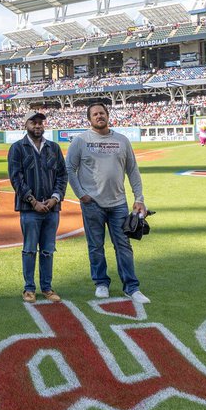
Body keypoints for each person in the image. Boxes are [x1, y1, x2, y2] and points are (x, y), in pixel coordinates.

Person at [66, 102, 150, 303]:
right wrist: (81, 195)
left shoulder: (122, 140)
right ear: (89, 119)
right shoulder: (80, 140)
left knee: (123, 245)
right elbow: (69, 168)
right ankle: (101, 283)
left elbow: (133, 170)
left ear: (108, 115)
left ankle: (131, 287)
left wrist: (139, 198)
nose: (99, 116)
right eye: (94, 114)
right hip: (92, 203)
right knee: (95, 246)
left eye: (101, 113)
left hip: (118, 203)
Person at [6, 111, 67, 303]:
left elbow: (62, 175)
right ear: (26, 125)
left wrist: (55, 198)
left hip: (52, 209)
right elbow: (16, 178)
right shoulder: (18, 148)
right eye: (34, 122)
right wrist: (33, 201)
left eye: (41, 122)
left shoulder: (53, 148)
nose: (38, 125)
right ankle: (29, 289)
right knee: (30, 249)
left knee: (48, 250)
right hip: (29, 209)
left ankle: (47, 288)